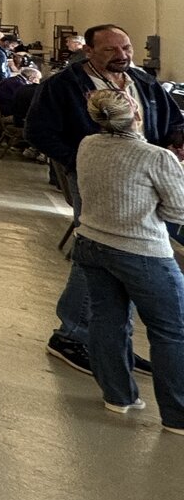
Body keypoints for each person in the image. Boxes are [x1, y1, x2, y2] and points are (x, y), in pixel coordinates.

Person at [27, 24, 180, 373]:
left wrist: (175, 141)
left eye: (126, 48)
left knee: (121, 257)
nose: (122, 55)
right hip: (97, 180)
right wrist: (76, 161)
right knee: (98, 251)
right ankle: (72, 334)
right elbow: (38, 131)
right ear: (89, 51)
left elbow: (171, 120)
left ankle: (114, 343)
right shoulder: (64, 86)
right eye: (111, 49)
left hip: (146, 180)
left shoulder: (143, 82)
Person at [69, 87, 184, 431]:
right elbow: (178, 211)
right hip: (143, 252)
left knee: (108, 320)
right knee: (172, 331)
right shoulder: (157, 157)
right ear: (136, 115)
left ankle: (118, 396)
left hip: (92, 242)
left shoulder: (88, 145)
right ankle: (177, 415)